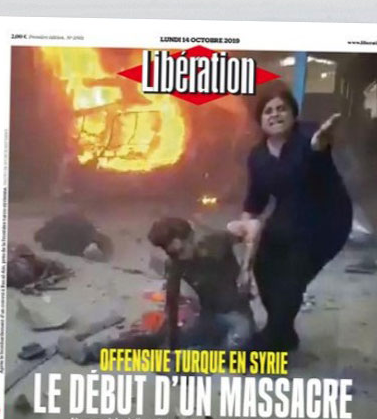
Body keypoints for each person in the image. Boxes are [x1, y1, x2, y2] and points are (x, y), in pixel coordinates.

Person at [237, 81, 353, 352]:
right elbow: (256, 200)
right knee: (264, 267)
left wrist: (320, 143)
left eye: (281, 109)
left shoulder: (309, 135)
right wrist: (245, 241)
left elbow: (317, 148)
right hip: (290, 213)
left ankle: (272, 341)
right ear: (260, 120)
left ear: (293, 113)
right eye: (268, 111)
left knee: (291, 279)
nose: (275, 115)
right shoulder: (258, 156)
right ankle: (283, 333)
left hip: (326, 221)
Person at [58, 216, 254, 363]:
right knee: (157, 339)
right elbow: (171, 304)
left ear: (191, 237)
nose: (179, 257)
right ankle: (92, 351)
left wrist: (247, 269)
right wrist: (170, 346)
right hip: (207, 316)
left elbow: (254, 230)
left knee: (237, 350)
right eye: (173, 253)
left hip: (237, 314)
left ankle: (198, 356)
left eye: (181, 250)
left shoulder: (217, 241)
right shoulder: (175, 264)